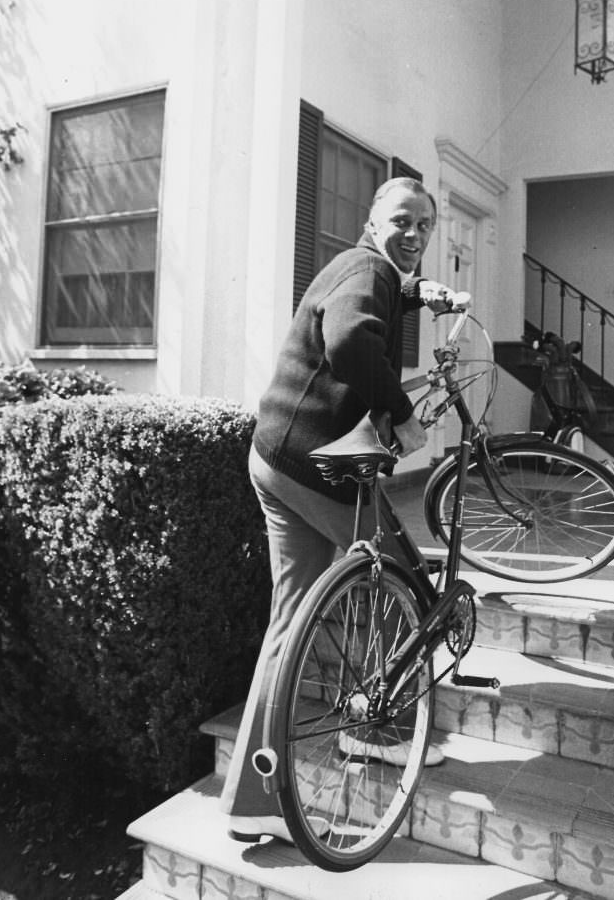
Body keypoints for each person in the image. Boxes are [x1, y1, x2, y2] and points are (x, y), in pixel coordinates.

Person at [221, 176, 456, 843]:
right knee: (396, 576)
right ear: (372, 221)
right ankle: (376, 726)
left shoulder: (363, 267)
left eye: (425, 228)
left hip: (275, 456)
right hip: (316, 466)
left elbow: (378, 294)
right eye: (402, 221)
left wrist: (424, 292)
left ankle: (252, 799)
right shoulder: (368, 270)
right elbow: (353, 336)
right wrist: (406, 416)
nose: (413, 236)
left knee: (288, 624)